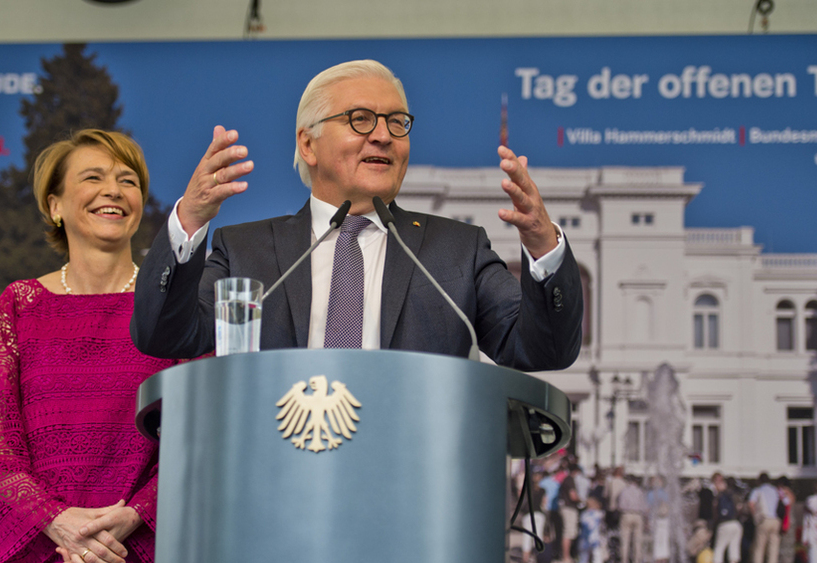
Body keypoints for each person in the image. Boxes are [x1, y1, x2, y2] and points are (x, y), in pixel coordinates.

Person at [130, 59, 583, 369]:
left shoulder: (456, 252)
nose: (383, 136)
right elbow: (163, 336)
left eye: (396, 122)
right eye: (361, 119)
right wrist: (188, 220)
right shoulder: (245, 250)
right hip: (274, 481)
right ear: (308, 144)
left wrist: (544, 246)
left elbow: (540, 350)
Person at [0, 129, 177, 563]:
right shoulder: (20, 305)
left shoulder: (175, 312)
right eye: (93, 177)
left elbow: (205, 438)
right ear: (55, 205)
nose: (113, 190)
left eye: (128, 180)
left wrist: (134, 515)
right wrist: (54, 521)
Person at [748, 472, 782, 563]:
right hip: (775, 520)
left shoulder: (757, 490)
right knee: (773, 549)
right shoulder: (775, 491)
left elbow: (751, 504)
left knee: (759, 548)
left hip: (763, 519)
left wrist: (755, 517)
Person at [709, 473, 742, 563]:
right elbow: (740, 508)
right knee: (734, 547)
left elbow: (715, 511)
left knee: (719, 547)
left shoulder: (720, 496)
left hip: (724, 524)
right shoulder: (735, 495)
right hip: (736, 524)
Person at [617, 476, 647, 563]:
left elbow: (620, 505)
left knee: (625, 541)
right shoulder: (640, 491)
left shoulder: (624, 491)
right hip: (638, 515)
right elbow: (644, 506)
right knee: (637, 541)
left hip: (626, 514)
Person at [573, 495, 604, 563]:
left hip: (584, 540)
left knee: (582, 560)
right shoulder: (599, 514)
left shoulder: (584, 515)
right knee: (597, 559)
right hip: (595, 540)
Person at [776, 477, 797, 563]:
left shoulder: (783, 493)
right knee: (787, 546)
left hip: (786, 521)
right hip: (790, 522)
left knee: (784, 546)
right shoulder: (791, 493)